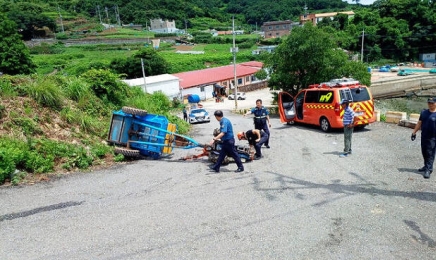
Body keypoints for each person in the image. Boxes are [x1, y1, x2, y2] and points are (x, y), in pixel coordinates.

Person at [411, 97, 436, 179]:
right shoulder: (424, 112)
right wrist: (414, 132)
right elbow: (419, 123)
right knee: (424, 152)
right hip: (424, 136)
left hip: (433, 138)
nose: (430, 104)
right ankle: (426, 166)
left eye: (432, 103)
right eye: (429, 103)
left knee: (430, 153)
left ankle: (428, 169)